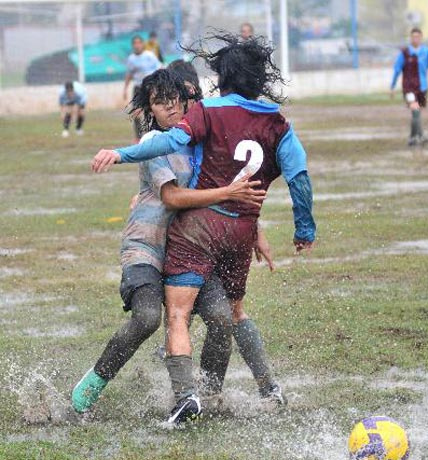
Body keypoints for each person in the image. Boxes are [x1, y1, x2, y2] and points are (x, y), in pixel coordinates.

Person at [91, 33, 316, 425]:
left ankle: (195, 395)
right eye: (166, 101)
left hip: (199, 231)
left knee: (192, 315)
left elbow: (187, 160)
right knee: (208, 313)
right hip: (207, 235)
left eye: (182, 99)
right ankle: (251, 389)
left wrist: (122, 154)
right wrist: (303, 229)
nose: (179, 106)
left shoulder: (206, 115)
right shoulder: (277, 124)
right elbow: (297, 178)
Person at [72, 66, 277, 419]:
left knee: (221, 316)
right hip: (147, 247)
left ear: (187, 101)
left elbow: (233, 194)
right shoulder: (153, 144)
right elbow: (171, 197)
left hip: (192, 249)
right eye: (159, 102)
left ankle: (206, 396)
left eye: (174, 99)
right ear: (149, 110)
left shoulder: (203, 141)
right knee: (149, 317)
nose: (169, 107)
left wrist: (253, 226)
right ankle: (94, 382)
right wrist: (226, 192)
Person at [390, 27, 428, 147]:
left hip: (423, 88)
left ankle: (420, 135)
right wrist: (392, 86)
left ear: (421, 38)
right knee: (415, 111)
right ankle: (413, 138)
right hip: (409, 88)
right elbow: (396, 70)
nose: (415, 39)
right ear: (410, 38)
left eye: (417, 37)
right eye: (413, 37)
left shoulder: (426, 52)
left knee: (418, 112)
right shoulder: (404, 53)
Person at [123, 35, 162, 140]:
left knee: (152, 111)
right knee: (136, 112)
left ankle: (155, 134)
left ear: (142, 44)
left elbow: (160, 68)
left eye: (139, 43)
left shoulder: (149, 55)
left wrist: (160, 84)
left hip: (150, 87)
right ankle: (138, 137)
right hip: (138, 88)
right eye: (135, 43)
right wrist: (125, 89)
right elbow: (129, 74)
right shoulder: (131, 59)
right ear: (133, 45)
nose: (137, 45)